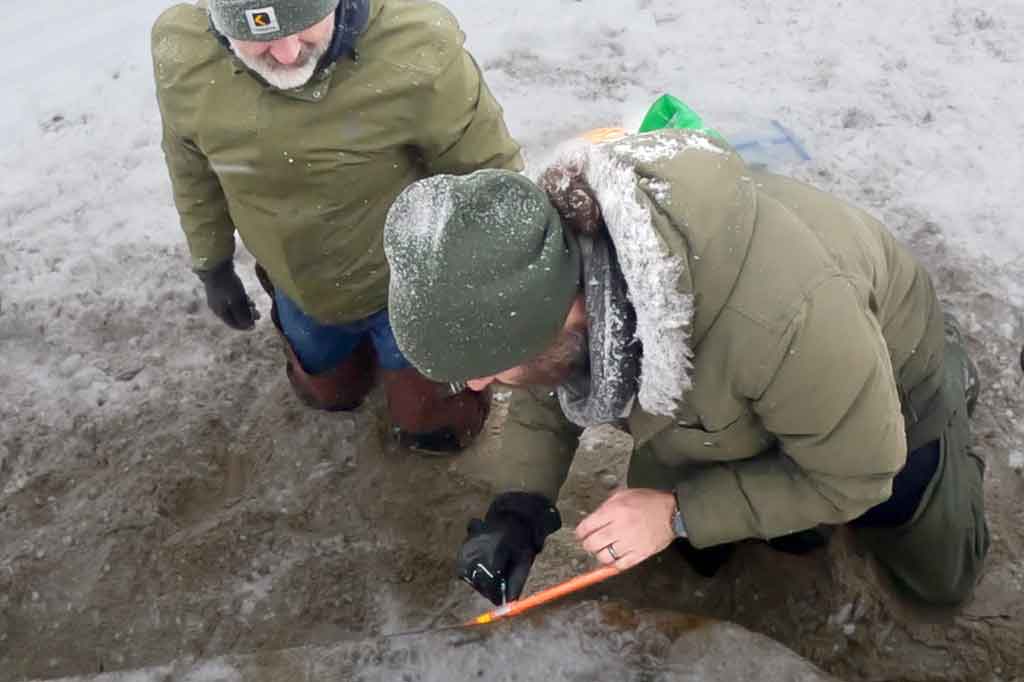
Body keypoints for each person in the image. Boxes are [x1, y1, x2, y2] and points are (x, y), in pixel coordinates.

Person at [381, 127, 990, 606]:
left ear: (561, 316)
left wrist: (677, 514)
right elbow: (550, 380)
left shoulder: (784, 318)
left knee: (937, 577)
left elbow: (859, 475)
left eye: (488, 367)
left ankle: (952, 383)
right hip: (722, 398)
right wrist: (519, 506)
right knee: (715, 542)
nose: (480, 386)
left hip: (882, 371)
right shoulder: (555, 273)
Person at [151, 0, 523, 452]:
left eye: (305, 20)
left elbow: (489, 177)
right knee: (329, 394)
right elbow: (190, 165)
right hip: (302, 288)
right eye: (258, 33)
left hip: (414, 288)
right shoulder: (183, 54)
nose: (287, 54)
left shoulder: (415, 48)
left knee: (436, 427)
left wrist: (505, 285)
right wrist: (212, 263)